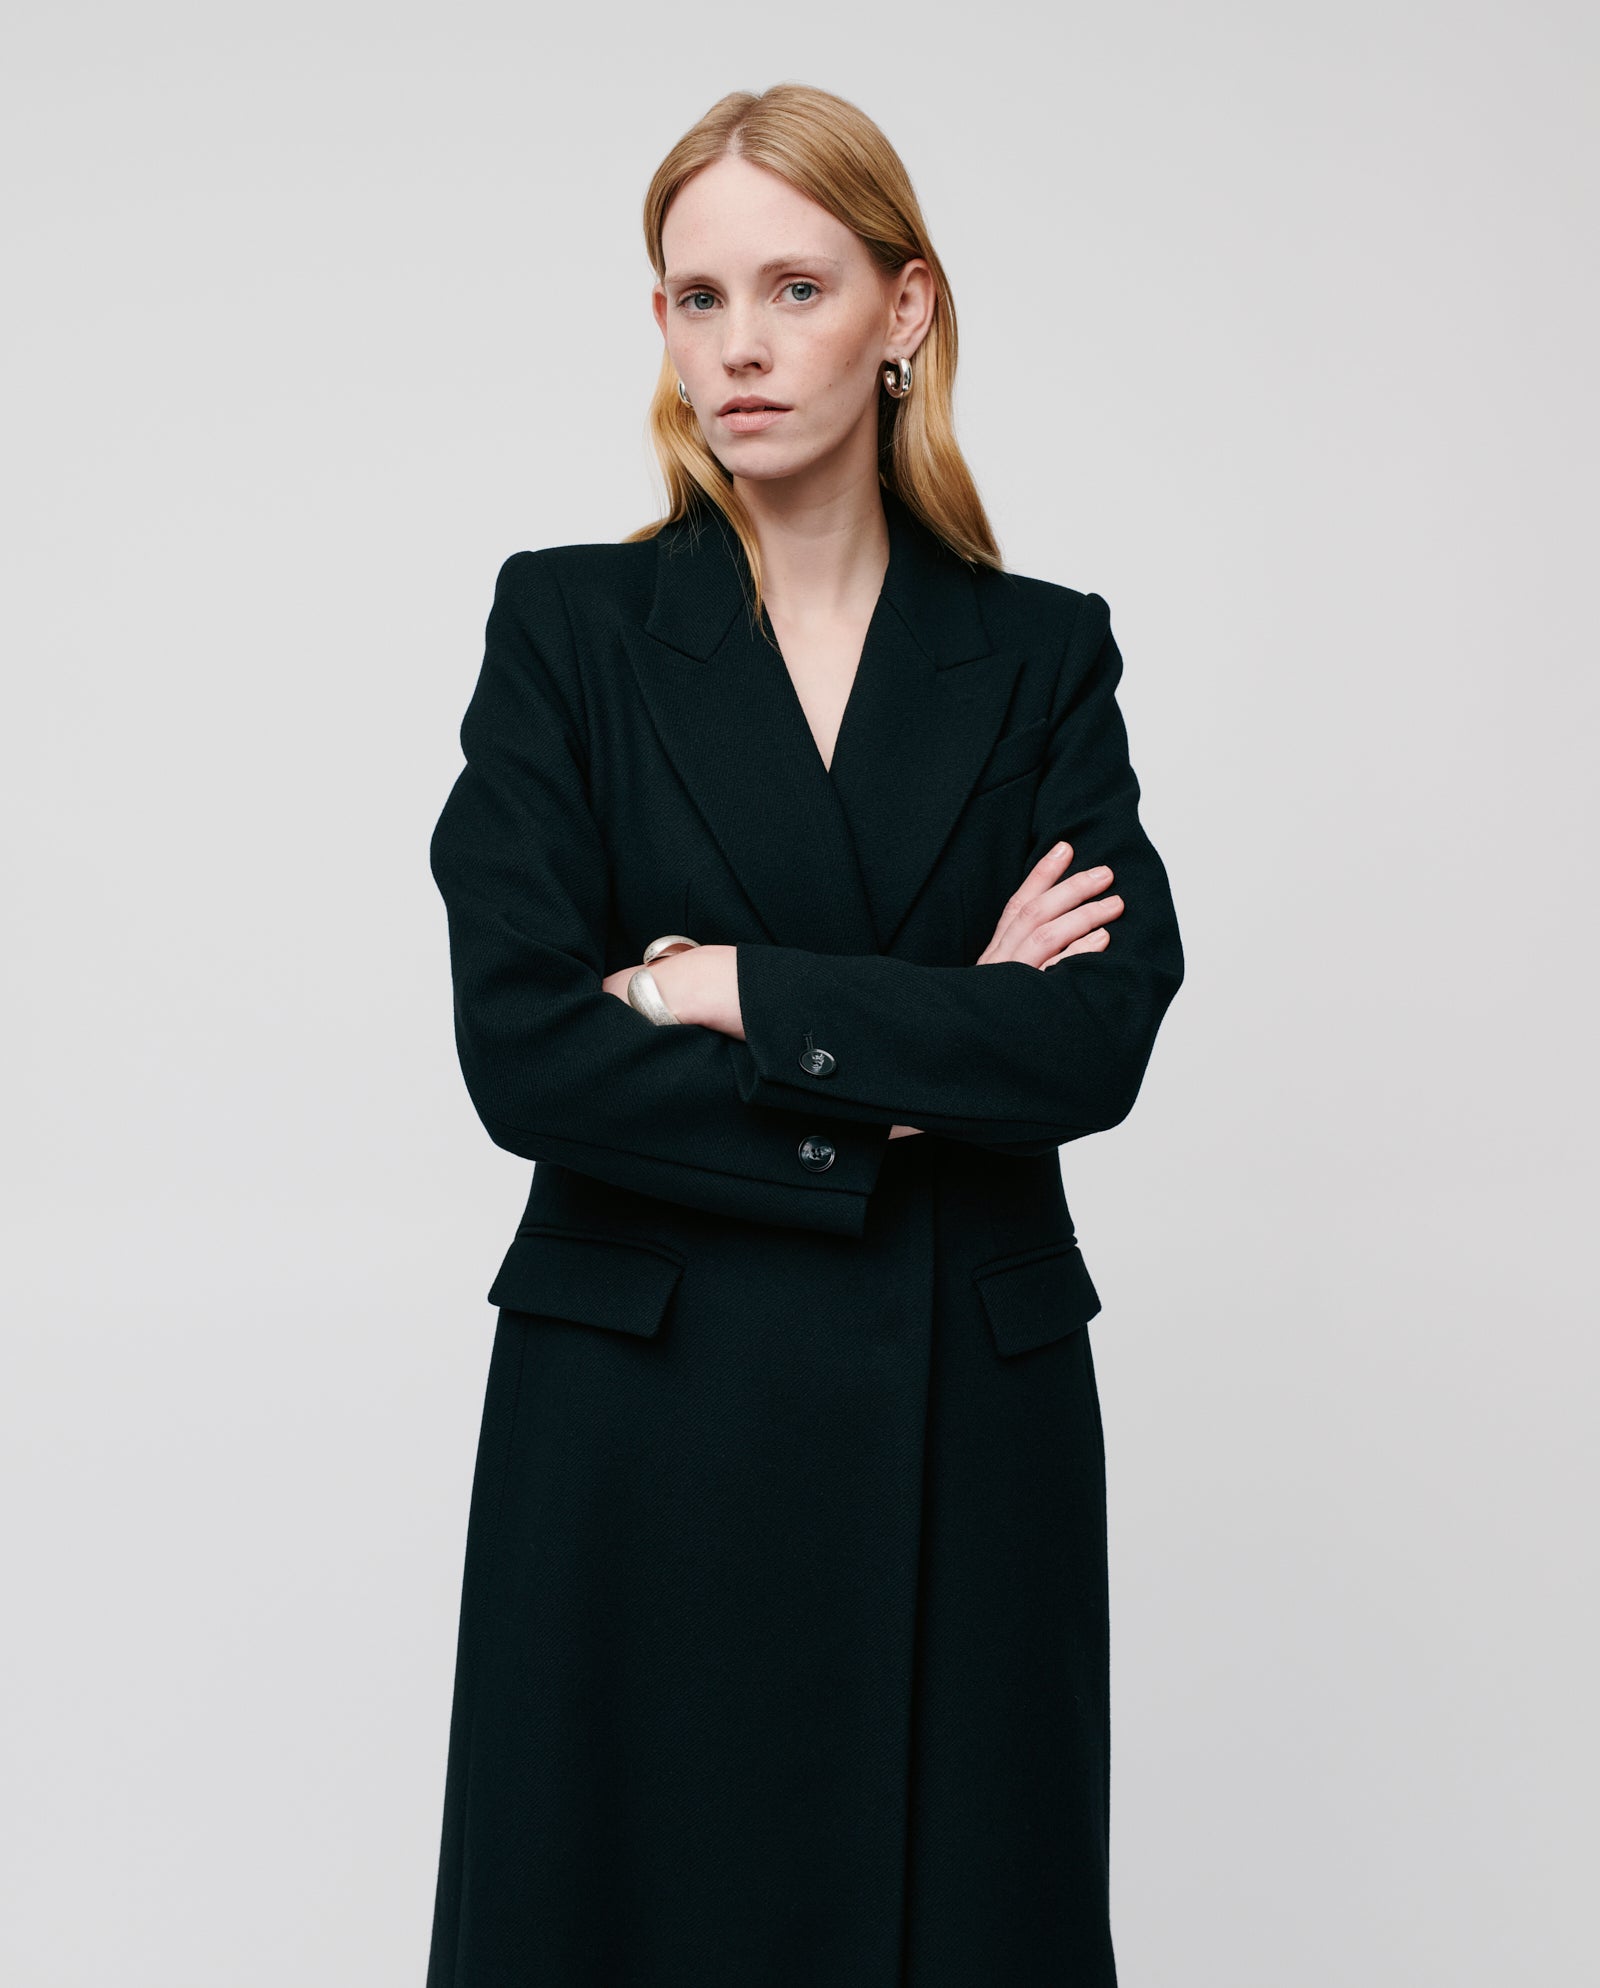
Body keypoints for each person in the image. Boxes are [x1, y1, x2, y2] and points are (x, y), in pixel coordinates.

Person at [425, 81, 1184, 1988]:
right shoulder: (573, 631)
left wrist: (727, 985)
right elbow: (525, 1049)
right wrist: (924, 1065)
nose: (741, 347)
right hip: (642, 1408)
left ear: (906, 310)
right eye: (695, 297)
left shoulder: (1036, 654)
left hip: (963, 1414)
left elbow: (1088, 1040)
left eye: (794, 285)